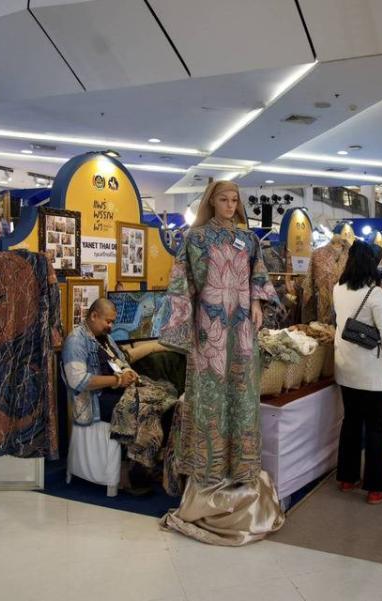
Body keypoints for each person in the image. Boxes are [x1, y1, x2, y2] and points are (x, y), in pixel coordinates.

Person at [156, 180, 284, 544]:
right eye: (224, 199)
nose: (230, 204)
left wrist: (256, 303)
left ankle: (240, 469)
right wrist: (183, 327)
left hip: (241, 331)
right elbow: (182, 283)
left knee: (241, 397)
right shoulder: (195, 239)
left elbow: (258, 276)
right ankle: (209, 470)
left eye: (234, 199)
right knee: (210, 399)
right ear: (211, 201)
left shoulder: (249, 239)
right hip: (208, 331)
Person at [62, 298, 173, 493]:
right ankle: (133, 472)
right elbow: (77, 381)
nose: (111, 326)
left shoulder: (104, 337)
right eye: (108, 321)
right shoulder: (76, 341)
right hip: (95, 400)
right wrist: (117, 380)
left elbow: (121, 361)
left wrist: (128, 373)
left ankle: (143, 465)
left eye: (113, 322)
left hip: (117, 392)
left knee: (165, 400)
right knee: (144, 408)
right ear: (94, 316)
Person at [334, 240, 382, 504]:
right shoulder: (375, 294)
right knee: (375, 429)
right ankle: (376, 489)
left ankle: (347, 477)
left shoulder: (338, 288)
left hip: (345, 368)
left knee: (351, 423)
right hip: (371, 373)